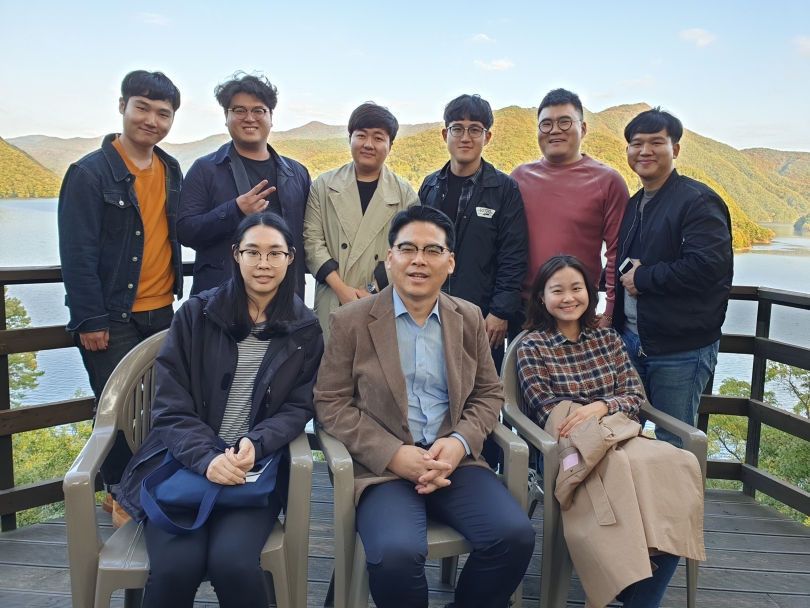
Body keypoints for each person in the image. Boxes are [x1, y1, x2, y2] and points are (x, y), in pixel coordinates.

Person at [314, 206, 535, 608]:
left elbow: (489, 393)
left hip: (455, 463)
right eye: (408, 249)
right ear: (390, 257)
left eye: (433, 250)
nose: (419, 260)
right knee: (396, 555)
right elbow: (330, 403)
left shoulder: (468, 317)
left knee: (514, 537)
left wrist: (459, 443)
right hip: (384, 471)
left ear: (450, 262)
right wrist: (393, 454)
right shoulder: (350, 321)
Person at [117, 212, 324, 608]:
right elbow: (170, 404)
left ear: (291, 258)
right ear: (236, 254)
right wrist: (207, 458)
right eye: (253, 252)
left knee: (234, 564)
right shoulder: (196, 315)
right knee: (175, 568)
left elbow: (299, 406)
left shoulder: (305, 328)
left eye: (275, 253)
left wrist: (256, 443)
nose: (263, 263)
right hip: (183, 461)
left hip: (252, 469)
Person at [517, 254, 704, 608]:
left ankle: (637, 594)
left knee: (674, 468)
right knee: (620, 474)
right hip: (569, 449)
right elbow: (544, 409)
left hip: (620, 434)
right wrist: (592, 413)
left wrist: (601, 406)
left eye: (577, 288)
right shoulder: (532, 345)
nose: (568, 298)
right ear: (542, 297)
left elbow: (634, 395)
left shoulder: (609, 340)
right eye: (557, 290)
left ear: (590, 293)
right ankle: (634, 594)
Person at [57, 70, 183, 518]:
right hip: (113, 316)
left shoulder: (170, 169)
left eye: (163, 113)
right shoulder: (89, 173)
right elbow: (77, 253)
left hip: (162, 311)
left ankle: (144, 487)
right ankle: (118, 494)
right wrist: (90, 318)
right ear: (123, 107)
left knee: (156, 408)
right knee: (114, 409)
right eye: (142, 108)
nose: (151, 120)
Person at [613, 107, 733, 447]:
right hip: (632, 342)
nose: (645, 151)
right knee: (622, 437)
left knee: (675, 440)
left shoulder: (698, 201)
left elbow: (708, 266)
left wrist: (644, 278)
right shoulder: (635, 203)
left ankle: (680, 488)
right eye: (637, 143)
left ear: (675, 149)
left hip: (680, 348)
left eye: (656, 142)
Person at [418, 94, 527, 371]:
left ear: (487, 137)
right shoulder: (430, 186)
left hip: (482, 317)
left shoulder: (504, 189)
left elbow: (513, 255)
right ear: (445, 135)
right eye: (457, 128)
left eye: (475, 129)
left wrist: (500, 312)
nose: (465, 137)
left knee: (481, 390)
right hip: (430, 311)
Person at [178, 72, 311, 298]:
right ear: (226, 116)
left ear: (271, 117)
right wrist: (235, 210)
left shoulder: (297, 173)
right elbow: (185, 231)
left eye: (258, 110)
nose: (249, 118)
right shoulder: (205, 169)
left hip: (286, 299)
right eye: (239, 110)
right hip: (221, 300)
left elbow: (311, 233)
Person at [511, 88, 630, 330]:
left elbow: (617, 253)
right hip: (524, 307)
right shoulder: (519, 177)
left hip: (577, 307)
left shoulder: (608, 181)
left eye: (564, 122)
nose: (555, 130)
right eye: (546, 124)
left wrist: (609, 312)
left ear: (583, 128)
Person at [303, 101, 419, 341]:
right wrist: (342, 289)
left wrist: (373, 289)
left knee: (377, 360)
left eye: (378, 137)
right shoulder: (323, 186)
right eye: (361, 135)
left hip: (382, 299)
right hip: (332, 297)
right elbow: (312, 241)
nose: (368, 144)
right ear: (350, 139)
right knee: (330, 360)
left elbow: (409, 250)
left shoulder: (405, 195)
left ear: (390, 145)